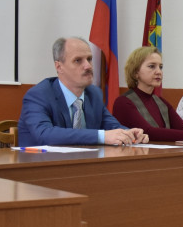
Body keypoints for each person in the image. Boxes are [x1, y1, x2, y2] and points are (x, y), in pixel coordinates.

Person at [18, 37, 148, 147]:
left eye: (89, 59)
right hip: (39, 165)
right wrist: (101, 136)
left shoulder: (94, 94)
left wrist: (129, 134)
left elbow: (111, 126)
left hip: (82, 164)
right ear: (59, 67)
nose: (88, 66)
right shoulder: (39, 95)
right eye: (78, 60)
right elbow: (44, 134)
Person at [112, 47, 183, 143]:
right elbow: (148, 132)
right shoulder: (123, 102)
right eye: (152, 66)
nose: (158, 72)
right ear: (136, 72)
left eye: (160, 67)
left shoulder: (161, 102)